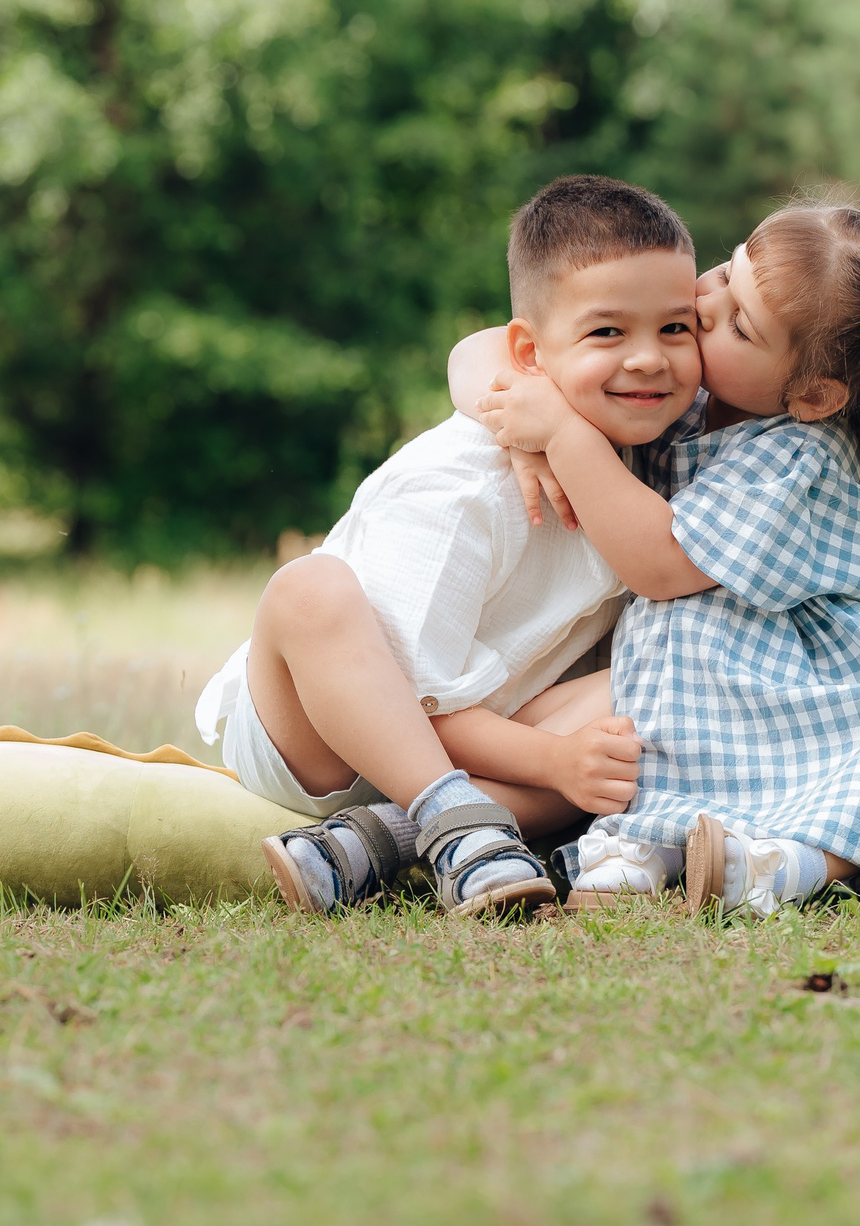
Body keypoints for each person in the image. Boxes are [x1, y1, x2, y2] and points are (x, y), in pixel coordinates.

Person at [470, 196, 860, 916]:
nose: (703, 307)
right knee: (574, 706)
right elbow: (488, 345)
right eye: (725, 275)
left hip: (822, 695)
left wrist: (562, 434)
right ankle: (595, 836)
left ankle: (786, 866)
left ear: (814, 394)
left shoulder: (800, 458)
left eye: (738, 322)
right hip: (700, 682)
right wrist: (523, 408)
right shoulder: (679, 394)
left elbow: (661, 565)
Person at [195, 175, 703, 917]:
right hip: (325, 737)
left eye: (676, 327)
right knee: (310, 588)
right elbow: (411, 695)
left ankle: (394, 837)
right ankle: (455, 824)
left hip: (486, 730)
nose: (650, 359)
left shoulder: (640, 451)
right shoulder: (464, 485)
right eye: (607, 332)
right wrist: (555, 763)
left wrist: (578, 761)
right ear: (528, 353)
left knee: (670, 664)